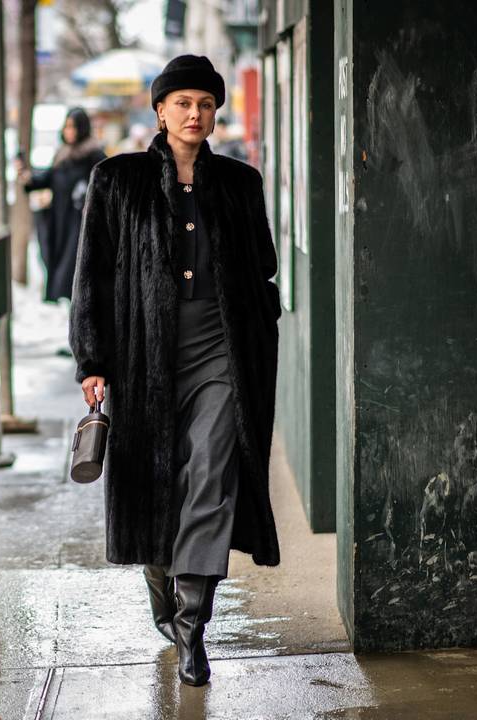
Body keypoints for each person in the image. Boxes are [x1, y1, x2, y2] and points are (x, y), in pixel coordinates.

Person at [68, 55, 282, 687]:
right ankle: (161, 580)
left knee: (211, 476)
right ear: (159, 111)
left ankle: (193, 629)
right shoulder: (118, 179)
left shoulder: (241, 184)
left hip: (221, 348)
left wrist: (258, 323)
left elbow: (262, 266)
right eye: (183, 103)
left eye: (206, 104)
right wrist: (93, 359)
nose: (195, 114)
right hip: (143, 353)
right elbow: (93, 277)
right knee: (157, 481)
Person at [16, 107, 106, 304]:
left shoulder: (94, 155)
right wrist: (26, 175)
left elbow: (107, 184)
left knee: (73, 265)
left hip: (80, 221)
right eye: (66, 127)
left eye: (73, 127)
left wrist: (87, 195)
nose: (69, 131)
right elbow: (46, 178)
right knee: (56, 262)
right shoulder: (62, 155)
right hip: (59, 219)